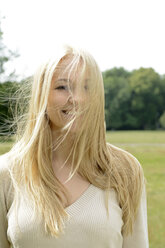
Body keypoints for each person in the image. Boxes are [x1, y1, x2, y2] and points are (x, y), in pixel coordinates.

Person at [0, 45, 149, 248]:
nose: (78, 99)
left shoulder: (125, 170)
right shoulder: (7, 172)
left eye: (87, 87)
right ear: (42, 95)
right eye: (63, 87)